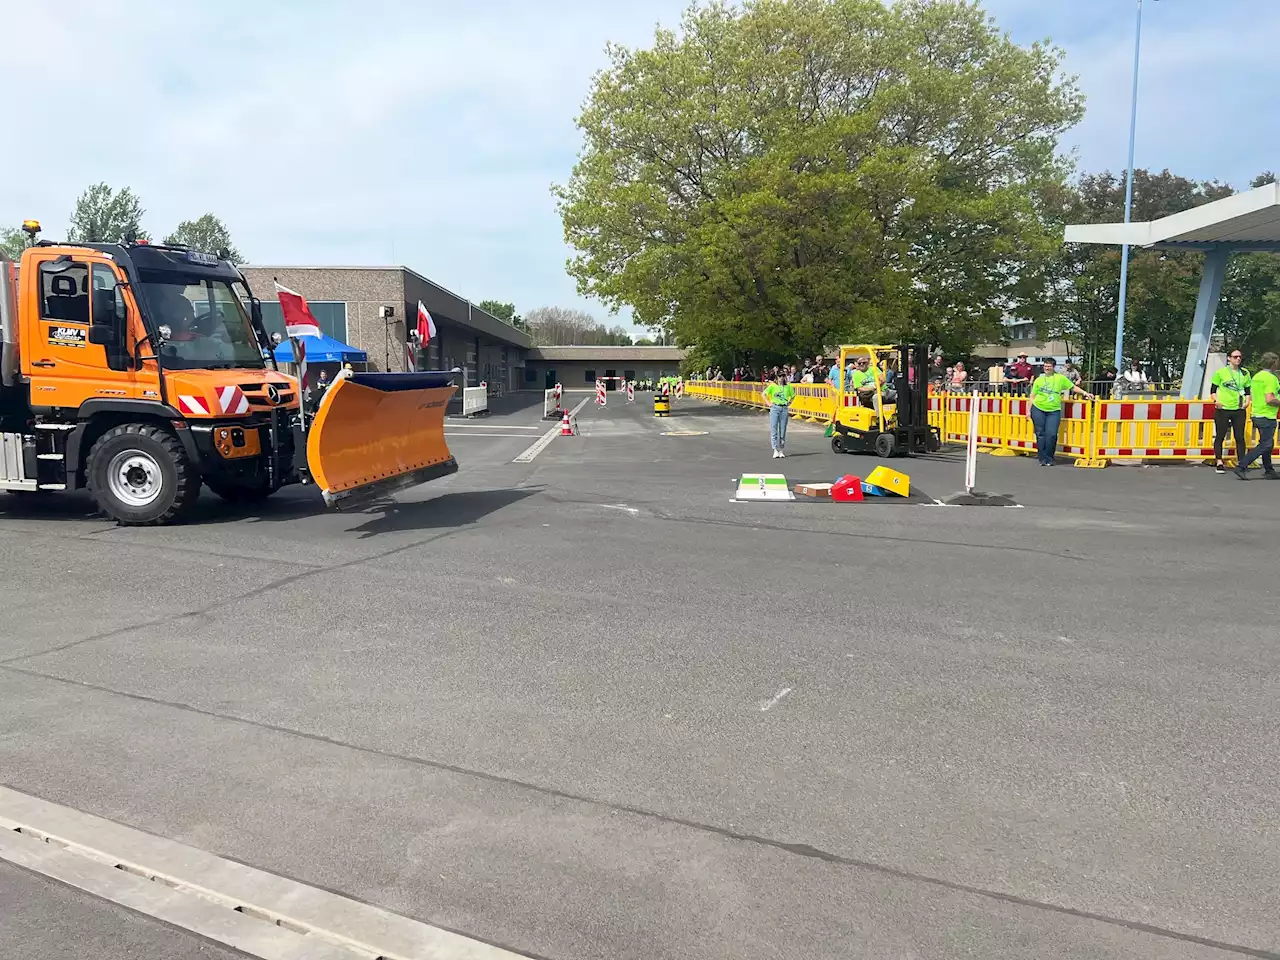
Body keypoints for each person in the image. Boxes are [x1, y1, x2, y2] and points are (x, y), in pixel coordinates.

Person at [1029, 358, 1093, 465]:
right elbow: (1032, 395)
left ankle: (1049, 457)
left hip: (1053, 410)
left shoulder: (1060, 378)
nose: (1047, 368)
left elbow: (1072, 387)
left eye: (1049, 366)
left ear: (1053, 367)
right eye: (1045, 366)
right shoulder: (1039, 379)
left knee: (1052, 434)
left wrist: (1085, 393)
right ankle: (1042, 458)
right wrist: (1028, 410)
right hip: (1038, 408)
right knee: (1040, 434)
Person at [1234, 351, 1280, 480]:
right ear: (1274, 363)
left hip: (1257, 413)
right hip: (1267, 414)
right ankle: (1242, 466)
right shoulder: (1271, 378)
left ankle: (1269, 470)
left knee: (1267, 443)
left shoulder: (1257, 376)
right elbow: (1270, 399)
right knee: (1265, 444)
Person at [1211, 349, 1251, 473]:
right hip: (1223, 408)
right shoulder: (1221, 373)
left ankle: (1241, 462)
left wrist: (1247, 401)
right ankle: (1219, 461)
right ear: (1229, 358)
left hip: (1238, 409)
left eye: (1239, 357)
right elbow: (1212, 390)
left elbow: (1248, 390)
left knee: (1239, 436)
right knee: (1220, 435)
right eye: (1235, 357)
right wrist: (1216, 401)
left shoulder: (1245, 373)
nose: (1238, 359)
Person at [762, 371, 796, 458]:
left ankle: (781, 449)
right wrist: (768, 403)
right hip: (775, 408)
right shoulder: (773, 386)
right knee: (774, 428)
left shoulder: (788, 387)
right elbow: (764, 394)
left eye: (783, 376)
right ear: (777, 377)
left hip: (784, 408)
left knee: (782, 429)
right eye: (780, 376)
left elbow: (793, 395)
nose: (781, 378)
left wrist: (789, 402)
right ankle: (775, 449)